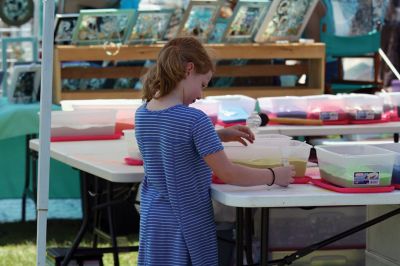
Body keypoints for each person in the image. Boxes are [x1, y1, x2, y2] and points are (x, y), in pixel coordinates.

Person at [134, 37, 295, 265]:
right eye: (203, 85)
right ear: (189, 69)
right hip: (187, 223)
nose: (201, 96)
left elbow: (171, 146)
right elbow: (229, 173)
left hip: (154, 219)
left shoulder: (143, 113)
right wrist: (274, 175)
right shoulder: (194, 119)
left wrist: (218, 135)